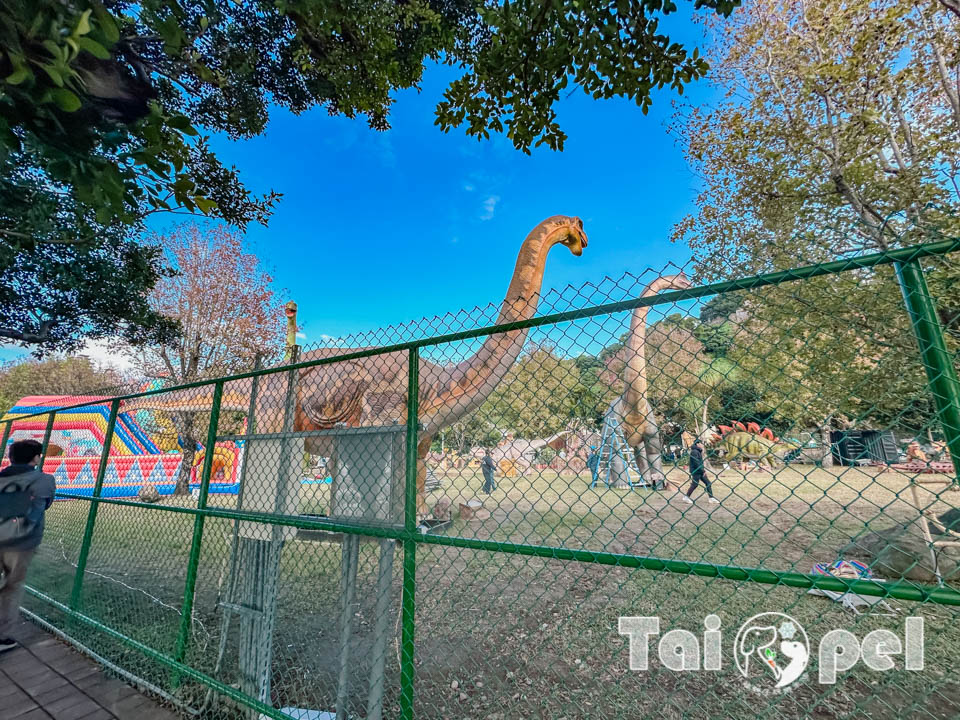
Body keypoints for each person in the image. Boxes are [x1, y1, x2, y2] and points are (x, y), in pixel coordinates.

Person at [0, 439, 56, 653]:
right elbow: (45, 505)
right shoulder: (45, 481)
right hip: (22, 543)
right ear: (35, 458)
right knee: (11, 587)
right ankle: (3, 637)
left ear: (11, 457)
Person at [682, 440, 718, 505]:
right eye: (701, 444)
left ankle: (711, 498)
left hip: (700, 470)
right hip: (696, 471)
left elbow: (699, 462)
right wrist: (703, 470)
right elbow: (696, 462)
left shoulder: (697, 451)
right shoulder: (694, 452)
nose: (702, 445)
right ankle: (686, 497)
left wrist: (702, 470)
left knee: (708, 483)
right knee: (695, 484)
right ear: (697, 444)